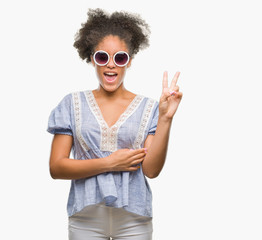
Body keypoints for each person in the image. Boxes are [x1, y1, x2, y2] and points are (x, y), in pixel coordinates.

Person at [47, 8, 182, 240]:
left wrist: (165, 119)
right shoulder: (71, 103)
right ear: (92, 59)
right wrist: (110, 163)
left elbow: (151, 170)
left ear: (128, 62)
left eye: (120, 58)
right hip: (85, 217)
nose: (111, 65)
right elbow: (57, 168)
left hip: (134, 219)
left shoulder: (149, 108)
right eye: (102, 57)